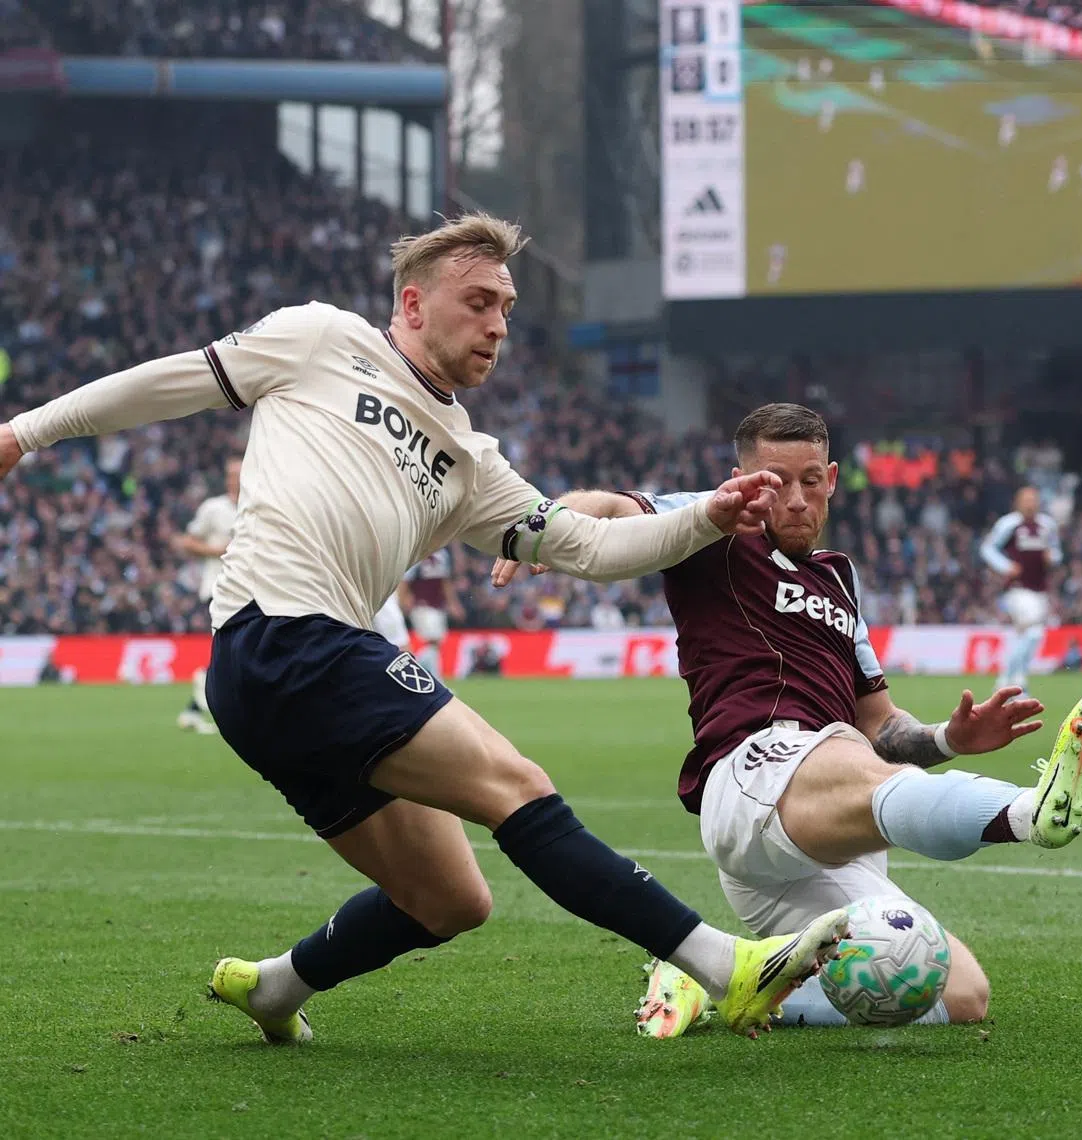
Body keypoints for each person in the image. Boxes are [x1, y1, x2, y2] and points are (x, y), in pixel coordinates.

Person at [0, 216, 851, 1046]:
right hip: (285, 636)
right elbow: (172, 379)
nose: (497, 325)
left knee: (449, 900)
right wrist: (25, 432)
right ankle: (724, 965)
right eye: (478, 302)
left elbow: (590, 545)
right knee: (513, 782)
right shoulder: (320, 339)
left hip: (290, 680)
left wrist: (707, 515)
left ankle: (275, 986)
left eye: (508, 309)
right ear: (412, 305)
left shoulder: (471, 460)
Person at [492, 403, 1082, 1036]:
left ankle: (713, 982)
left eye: (810, 481)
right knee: (855, 763)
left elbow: (881, 727)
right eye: (774, 482)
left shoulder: (840, 580)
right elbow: (607, 508)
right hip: (752, 776)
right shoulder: (713, 526)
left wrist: (948, 738)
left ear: (831, 479)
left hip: (826, 832)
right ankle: (1026, 813)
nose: (793, 500)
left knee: (957, 995)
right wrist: (540, 528)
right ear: (742, 480)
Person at [173, 454, 242, 733]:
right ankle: (201, 693)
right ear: (228, 478)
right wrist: (216, 551)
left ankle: (195, 707)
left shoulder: (259, 504)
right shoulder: (214, 508)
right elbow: (187, 541)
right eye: (234, 473)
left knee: (233, 653)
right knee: (232, 650)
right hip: (219, 587)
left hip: (251, 589)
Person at [979, 485, 1063, 696]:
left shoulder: (1047, 525)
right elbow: (987, 548)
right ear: (1017, 502)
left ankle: (1010, 683)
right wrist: (1005, 566)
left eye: (1033, 499)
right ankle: (1014, 680)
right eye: (1026, 499)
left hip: (1040, 590)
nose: (1030, 503)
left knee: (1028, 635)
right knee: (1033, 631)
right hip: (1017, 590)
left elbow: (1057, 552)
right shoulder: (1008, 524)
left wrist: (1052, 557)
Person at [400, 548, 462, 677]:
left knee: (436, 643)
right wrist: (404, 599)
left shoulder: (442, 554)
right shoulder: (417, 553)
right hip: (421, 605)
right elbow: (405, 580)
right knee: (432, 641)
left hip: (438, 606)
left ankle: (418, 668)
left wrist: (452, 603)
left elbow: (445, 582)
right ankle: (433, 677)